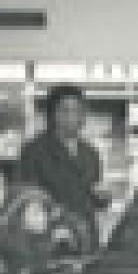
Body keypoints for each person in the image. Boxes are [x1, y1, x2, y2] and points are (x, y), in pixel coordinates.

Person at [13, 83, 109, 249]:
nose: (73, 117)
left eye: (78, 110)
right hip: (50, 241)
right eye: (66, 110)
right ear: (53, 114)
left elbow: (93, 198)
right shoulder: (34, 151)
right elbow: (25, 199)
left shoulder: (91, 153)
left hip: (86, 238)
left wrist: (102, 199)